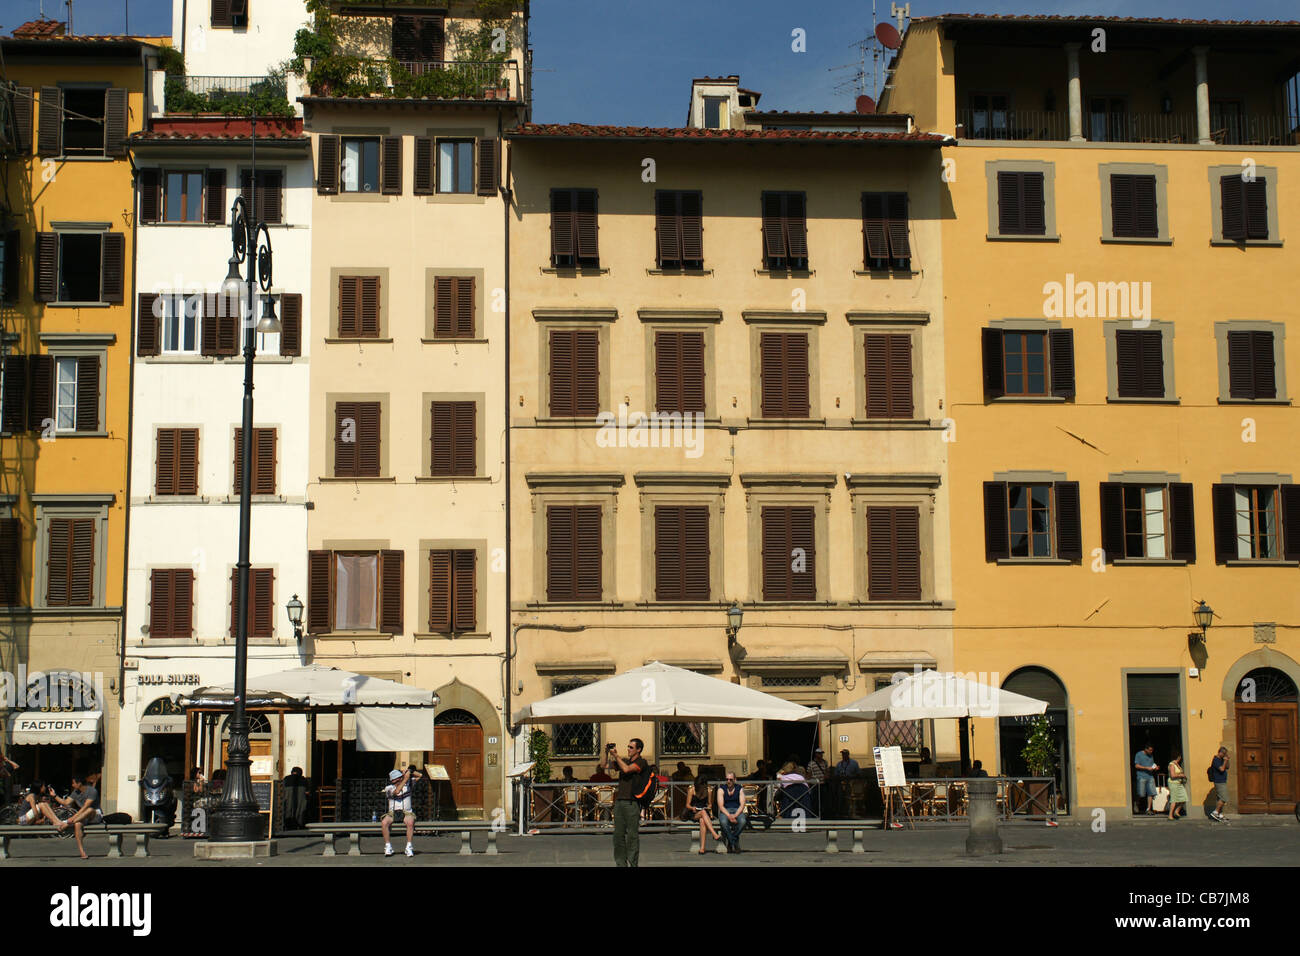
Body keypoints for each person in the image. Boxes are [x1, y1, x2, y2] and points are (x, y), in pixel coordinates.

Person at [605, 738, 649, 867]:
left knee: (632, 836)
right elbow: (603, 766)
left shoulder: (642, 762)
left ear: (638, 749)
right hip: (619, 802)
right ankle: (620, 863)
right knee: (618, 835)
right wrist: (606, 753)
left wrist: (616, 755)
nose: (628, 749)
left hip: (632, 803)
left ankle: (633, 863)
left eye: (631, 747)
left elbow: (627, 770)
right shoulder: (624, 761)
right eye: (628, 747)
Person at [51, 773, 102, 859]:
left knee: (89, 809)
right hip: (82, 816)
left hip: (95, 815)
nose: (72, 785)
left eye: (74, 783)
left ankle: (67, 824)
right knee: (77, 824)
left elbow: (85, 807)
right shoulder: (76, 792)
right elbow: (66, 803)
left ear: (79, 783)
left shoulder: (92, 791)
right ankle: (82, 852)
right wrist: (55, 796)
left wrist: (69, 821)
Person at [381, 766, 423, 857]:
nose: (401, 780)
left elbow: (420, 775)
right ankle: (388, 846)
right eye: (399, 779)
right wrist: (405, 779)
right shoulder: (389, 788)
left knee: (410, 822)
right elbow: (397, 792)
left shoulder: (408, 784)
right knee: (384, 822)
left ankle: (409, 847)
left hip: (407, 812)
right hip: (392, 812)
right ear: (393, 781)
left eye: (401, 778)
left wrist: (410, 771)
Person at [685, 776, 719, 853]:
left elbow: (710, 804)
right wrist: (692, 808)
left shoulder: (708, 790)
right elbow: (687, 805)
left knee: (702, 821)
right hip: (693, 812)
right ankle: (714, 834)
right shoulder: (692, 790)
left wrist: (708, 807)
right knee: (703, 813)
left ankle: (702, 848)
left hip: (703, 811)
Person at [716, 771, 747, 853]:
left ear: (735, 780)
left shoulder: (739, 788)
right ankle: (734, 841)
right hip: (725, 810)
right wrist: (729, 815)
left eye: (731, 779)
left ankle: (731, 841)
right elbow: (721, 806)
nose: (728, 781)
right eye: (727, 779)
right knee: (723, 822)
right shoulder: (721, 789)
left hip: (737, 810)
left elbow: (742, 804)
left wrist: (735, 815)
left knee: (743, 821)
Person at [1134, 744, 1160, 815]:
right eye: (1150, 750)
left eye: (1152, 750)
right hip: (1141, 776)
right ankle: (1136, 803)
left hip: (1150, 776)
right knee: (1141, 793)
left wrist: (1155, 768)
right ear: (1146, 749)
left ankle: (1148, 809)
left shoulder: (1151, 755)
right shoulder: (1139, 754)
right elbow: (1136, 765)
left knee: (1151, 793)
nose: (1151, 752)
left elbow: (1152, 764)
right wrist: (1146, 768)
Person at [282, 766, 308, 831]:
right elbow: (307, 792)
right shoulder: (304, 780)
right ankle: (299, 824)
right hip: (300, 803)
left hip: (288, 802)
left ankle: (288, 824)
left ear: (292, 772)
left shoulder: (286, 779)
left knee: (288, 807)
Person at [1209, 747, 1230, 822]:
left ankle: (1220, 814)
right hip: (1219, 781)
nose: (1225, 755)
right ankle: (1215, 812)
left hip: (1222, 781)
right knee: (1224, 798)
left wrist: (1227, 760)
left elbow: (1227, 767)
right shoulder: (1216, 760)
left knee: (1219, 798)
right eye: (1224, 753)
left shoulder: (1221, 759)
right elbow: (1221, 769)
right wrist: (1224, 761)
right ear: (1220, 752)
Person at [1166, 752, 1187, 821]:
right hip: (1173, 783)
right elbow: (1172, 775)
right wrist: (1181, 775)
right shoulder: (1172, 764)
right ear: (1178, 757)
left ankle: (1176, 811)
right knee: (1174, 799)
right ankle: (1170, 815)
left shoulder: (1177, 764)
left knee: (1184, 798)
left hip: (1179, 783)